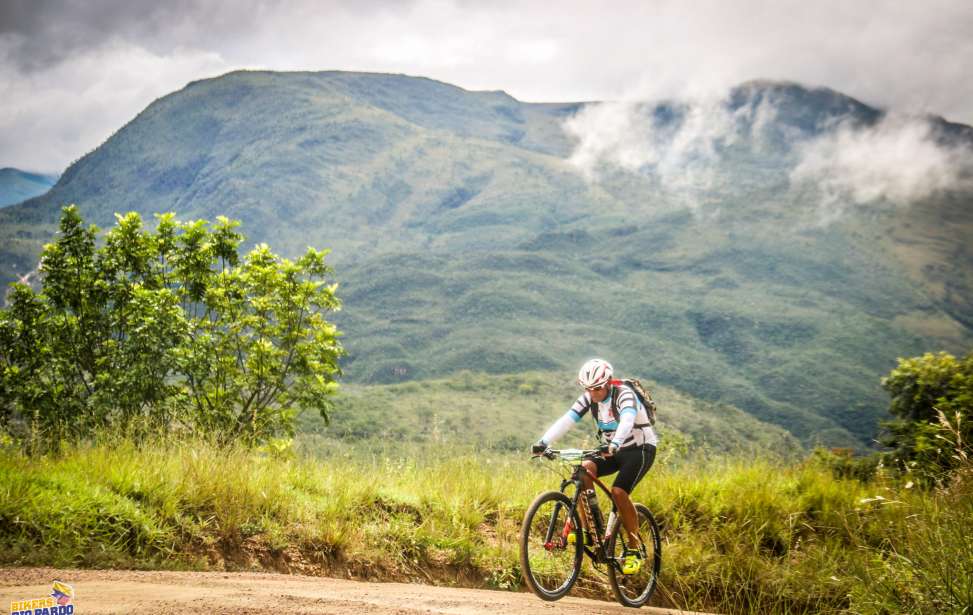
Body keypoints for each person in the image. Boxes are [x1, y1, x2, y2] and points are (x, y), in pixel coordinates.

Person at [532, 358, 657, 574]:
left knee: (618, 492)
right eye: (589, 389)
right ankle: (591, 529)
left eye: (598, 388)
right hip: (612, 449)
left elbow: (627, 419)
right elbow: (567, 420)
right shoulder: (588, 398)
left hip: (640, 449)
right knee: (583, 471)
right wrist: (543, 442)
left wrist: (615, 443)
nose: (594, 393)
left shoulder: (624, 394)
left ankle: (635, 549)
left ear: (608, 382)